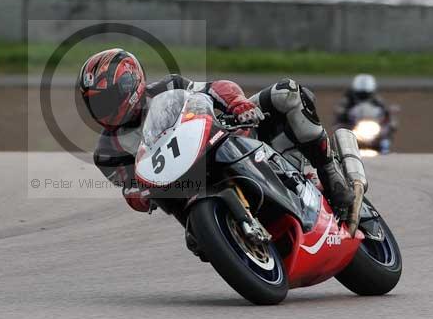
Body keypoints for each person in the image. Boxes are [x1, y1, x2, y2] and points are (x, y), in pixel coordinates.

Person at [78, 48, 354, 214]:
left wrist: (239, 104)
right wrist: (139, 196)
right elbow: (131, 191)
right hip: (186, 190)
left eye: (107, 98)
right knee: (196, 241)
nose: (104, 108)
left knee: (287, 92)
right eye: (96, 103)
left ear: (130, 84)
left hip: (225, 142)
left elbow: (215, 87)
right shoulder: (107, 153)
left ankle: (330, 174)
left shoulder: (168, 87)